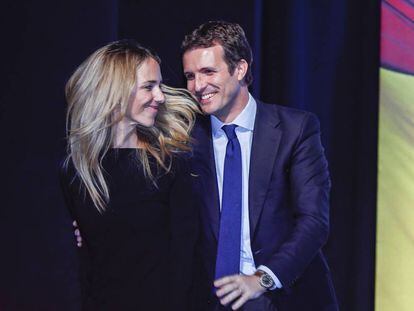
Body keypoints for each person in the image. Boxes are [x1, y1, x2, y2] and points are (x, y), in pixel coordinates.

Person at [182, 21, 339, 310]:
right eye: (190, 76)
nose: (198, 86)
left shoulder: (296, 129)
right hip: (210, 300)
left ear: (240, 69)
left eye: (208, 71)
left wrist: (262, 279)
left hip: (284, 294)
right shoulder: (186, 141)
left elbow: (314, 222)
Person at [60, 39, 199, 310]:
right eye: (149, 86)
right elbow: (86, 265)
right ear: (116, 91)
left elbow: (187, 261)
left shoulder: (169, 165)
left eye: (159, 86)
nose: (160, 96)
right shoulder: (76, 172)